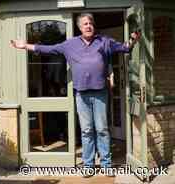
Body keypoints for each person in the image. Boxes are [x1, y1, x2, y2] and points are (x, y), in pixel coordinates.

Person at [11, 13, 140, 176]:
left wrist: (133, 38)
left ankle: (106, 164)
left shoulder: (104, 41)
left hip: (100, 92)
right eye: (85, 24)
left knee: (102, 129)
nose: (88, 26)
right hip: (81, 94)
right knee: (86, 130)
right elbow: (48, 49)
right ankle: (88, 165)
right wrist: (25, 46)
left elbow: (125, 47)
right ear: (80, 27)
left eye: (90, 23)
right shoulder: (70, 44)